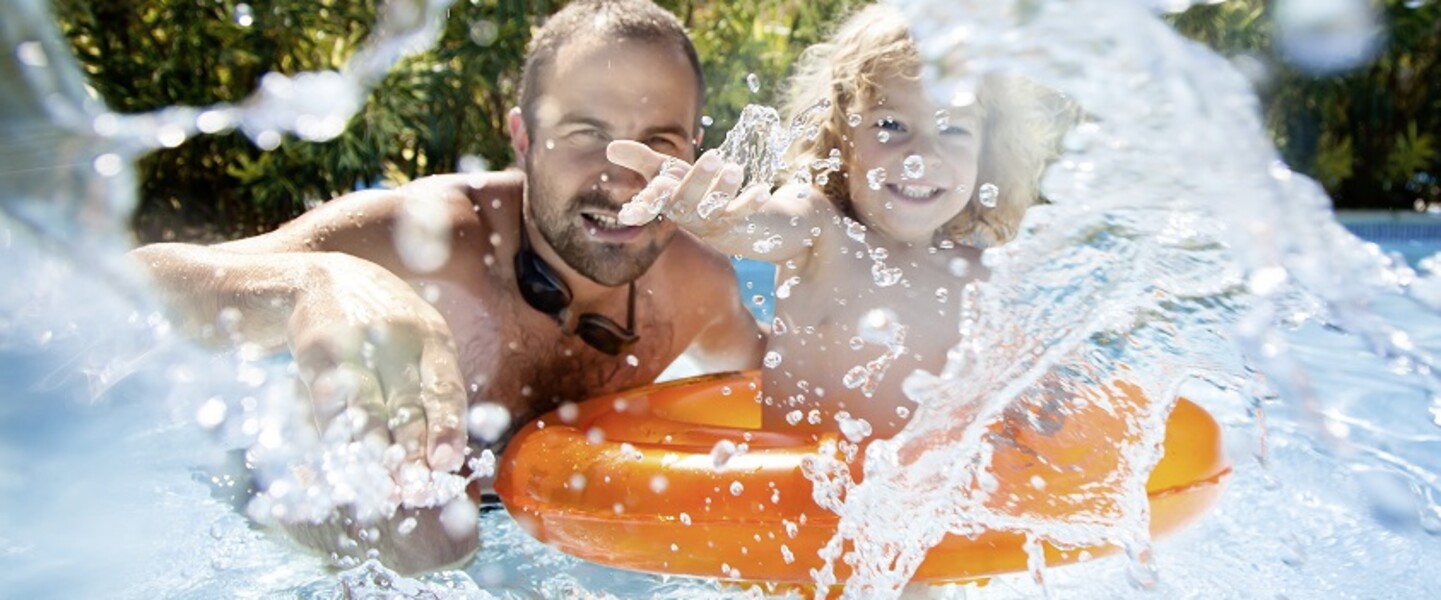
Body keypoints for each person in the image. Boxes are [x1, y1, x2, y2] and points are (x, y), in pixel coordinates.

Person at [130, 0, 764, 574]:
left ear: (693, 150)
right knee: (428, 531)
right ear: (524, 139)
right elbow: (137, 284)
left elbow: (793, 389)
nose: (625, 179)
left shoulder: (697, 284)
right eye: (587, 135)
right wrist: (313, 284)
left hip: (545, 554)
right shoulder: (429, 240)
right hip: (280, 541)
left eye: (658, 141)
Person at [609, 4, 1066, 441]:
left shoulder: (984, 279)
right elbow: (768, 224)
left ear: (986, 153)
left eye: (953, 130)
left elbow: (1020, 410)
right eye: (890, 125)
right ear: (843, 137)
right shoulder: (822, 231)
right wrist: (720, 219)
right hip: (796, 503)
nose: (922, 154)